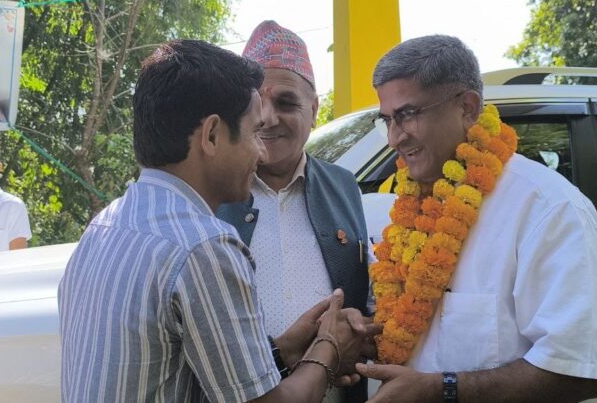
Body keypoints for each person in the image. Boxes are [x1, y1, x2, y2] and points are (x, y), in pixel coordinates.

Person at [58, 39, 376, 402]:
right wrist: (328, 348)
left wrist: (284, 351)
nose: (261, 151)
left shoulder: (105, 224)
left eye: (286, 103)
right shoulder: (204, 246)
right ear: (211, 135)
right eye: (255, 131)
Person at [354, 35, 597, 402]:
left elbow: (582, 371)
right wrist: (364, 337)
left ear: (468, 107)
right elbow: (424, 331)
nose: (394, 137)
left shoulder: (548, 209)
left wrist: (441, 390)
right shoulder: (412, 209)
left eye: (406, 115)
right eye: (386, 119)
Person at [216, 21, 372, 402]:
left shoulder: (343, 185)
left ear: (315, 109)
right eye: (254, 103)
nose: (267, 117)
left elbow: (363, 297)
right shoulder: (212, 188)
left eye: (286, 102)